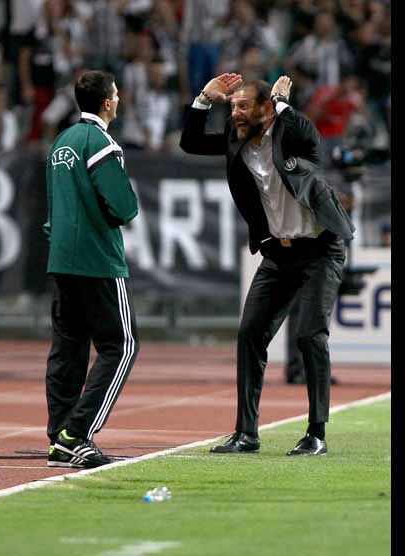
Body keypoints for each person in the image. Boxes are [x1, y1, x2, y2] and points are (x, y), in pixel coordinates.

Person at [180, 73, 354, 457]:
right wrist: (204, 100)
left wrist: (281, 102)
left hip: (320, 249)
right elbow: (191, 142)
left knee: (310, 335)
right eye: (233, 107)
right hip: (278, 254)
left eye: (244, 106)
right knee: (250, 334)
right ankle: (246, 433)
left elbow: (311, 136)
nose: (236, 114)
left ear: (264, 109)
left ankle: (316, 433)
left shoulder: (291, 135)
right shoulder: (236, 141)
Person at [44, 70, 140, 469]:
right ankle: (78, 433)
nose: (118, 100)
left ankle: (58, 436)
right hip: (97, 259)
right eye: (115, 95)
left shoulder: (61, 142)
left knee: (68, 349)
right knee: (122, 346)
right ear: (106, 102)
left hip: (61, 258)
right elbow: (123, 205)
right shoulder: (102, 142)